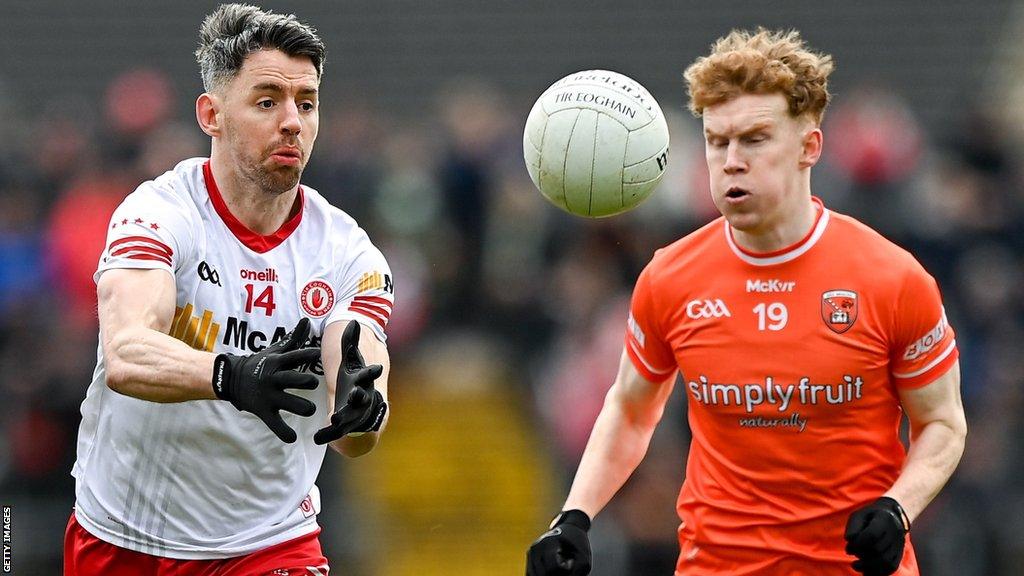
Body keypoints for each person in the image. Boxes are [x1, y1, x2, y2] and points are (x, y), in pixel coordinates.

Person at [526, 28, 966, 576]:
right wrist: (575, 515)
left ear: (809, 147)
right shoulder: (671, 277)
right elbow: (631, 408)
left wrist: (899, 508)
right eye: (717, 141)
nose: (732, 160)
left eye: (755, 139)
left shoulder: (893, 279)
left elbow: (944, 423)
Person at [63, 4, 395, 574]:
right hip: (121, 536)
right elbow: (126, 355)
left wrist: (365, 410)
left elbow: (353, 430)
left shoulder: (348, 254)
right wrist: (234, 376)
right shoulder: (158, 214)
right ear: (211, 114)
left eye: (307, 104)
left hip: (269, 544)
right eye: (267, 101)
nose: (292, 121)